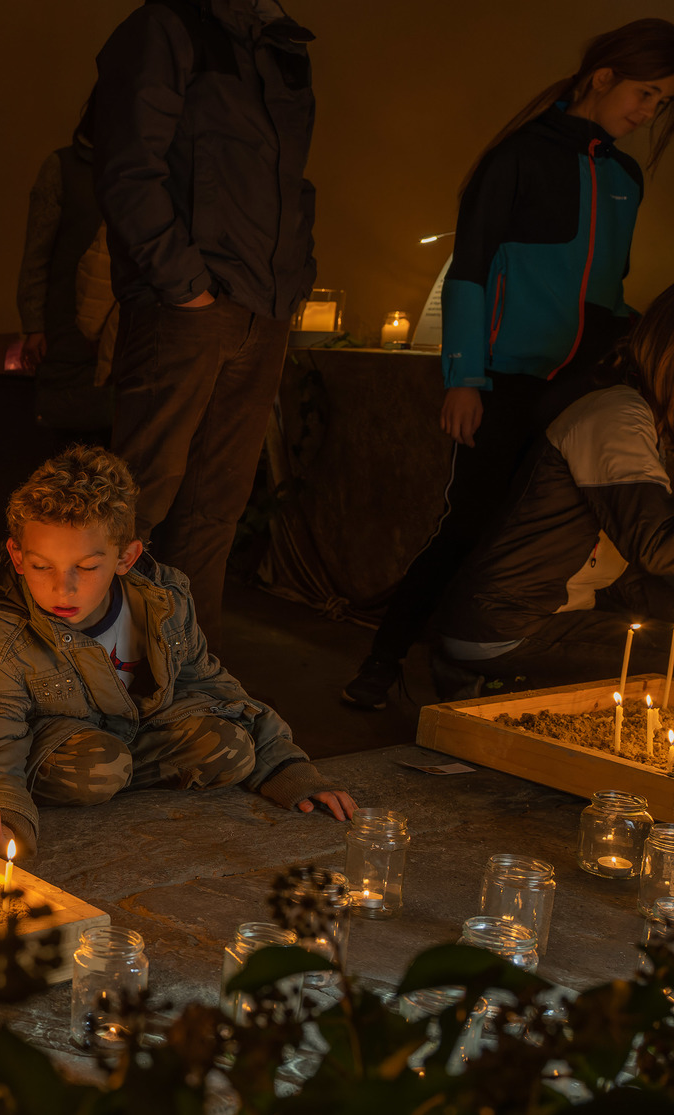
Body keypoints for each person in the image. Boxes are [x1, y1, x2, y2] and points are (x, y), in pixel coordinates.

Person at [344, 19, 674, 710]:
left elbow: (606, 294)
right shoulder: (518, 157)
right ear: (603, 76)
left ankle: (509, 673)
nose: (648, 113)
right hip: (505, 382)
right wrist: (464, 377)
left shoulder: (623, 175)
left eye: (662, 103)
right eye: (645, 94)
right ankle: (383, 661)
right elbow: (470, 271)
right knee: (469, 524)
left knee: (543, 528)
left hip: (581, 385)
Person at [0, 446, 353, 861]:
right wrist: (4, 820)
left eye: (86, 568)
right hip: (65, 753)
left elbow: (211, 685)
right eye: (41, 566)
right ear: (17, 556)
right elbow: (0, 738)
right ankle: (112, 775)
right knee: (101, 766)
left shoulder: (164, 601)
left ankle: (125, 773)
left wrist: (287, 768)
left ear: (126, 557)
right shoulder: (0, 635)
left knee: (232, 749)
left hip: (134, 737)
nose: (62, 588)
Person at [92, 0, 317, 646]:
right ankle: (93, 683)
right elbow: (129, 165)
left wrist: (292, 279)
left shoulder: (285, 49)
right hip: (185, 307)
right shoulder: (165, 29)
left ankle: (190, 683)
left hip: (262, 306)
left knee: (215, 511)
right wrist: (184, 285)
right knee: (131, 509)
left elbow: (291, 179)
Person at [433, 284, 674, 697]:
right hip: (509, 626)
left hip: (554, 613)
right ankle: (483, 689)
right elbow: (654, 544)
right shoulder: (617, 414)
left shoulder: (652, 426)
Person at [16, 105, 112, 438]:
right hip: (66, 331)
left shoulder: (140, 171)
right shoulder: (63, 168)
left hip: (119, 339)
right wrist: (34, 324)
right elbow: (37, 252)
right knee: (66, 438)